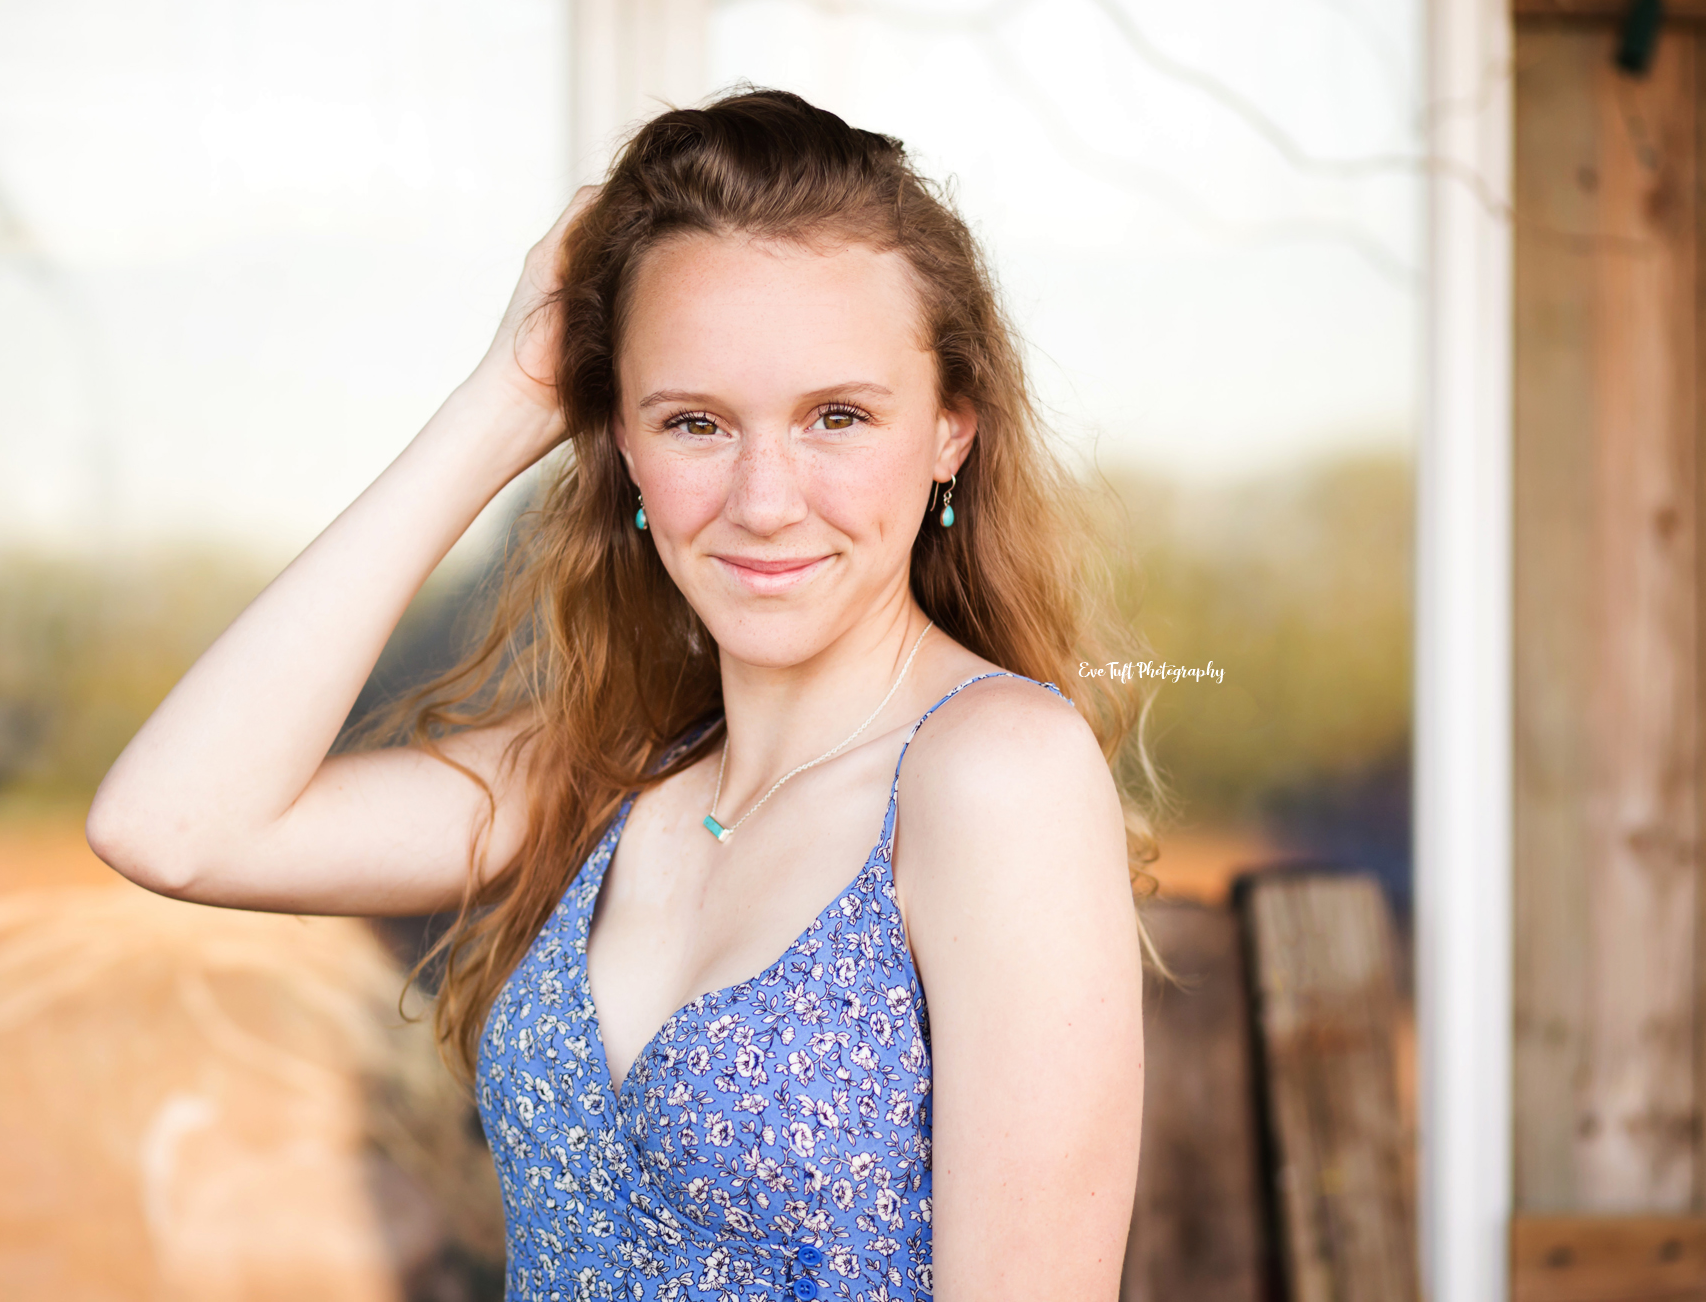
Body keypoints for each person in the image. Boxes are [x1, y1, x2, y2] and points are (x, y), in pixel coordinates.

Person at [89, 88, 1149, 1301]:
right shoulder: (601, 774)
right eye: (693, 421)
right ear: (623, 449)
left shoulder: (993, 773)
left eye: (837, 417)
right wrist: (502, 402)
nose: (762, 498)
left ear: (950, 430)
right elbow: (170, 823)